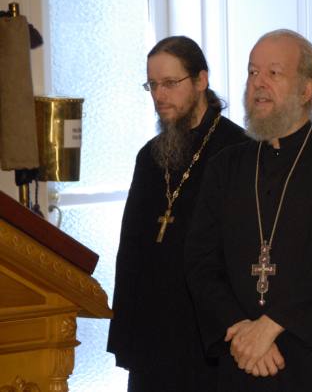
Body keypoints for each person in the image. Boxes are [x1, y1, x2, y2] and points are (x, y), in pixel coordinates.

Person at [184, 29, 312, 392]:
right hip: (242, 360)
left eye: (273, 73)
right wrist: (240, 330)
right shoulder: (225, 166)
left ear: (306, 90)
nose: (258, 83)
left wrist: (271, 326)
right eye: (252, 72)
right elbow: (200, 261)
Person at [107, 36, 247, 391]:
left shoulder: (240, 151)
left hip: (208, 334)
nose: (159, 95)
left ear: (201, 80)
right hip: (153, 334)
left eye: (170, 83)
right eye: (152, 85)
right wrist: (126, 337)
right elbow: (131, 250)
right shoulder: (149, 156)